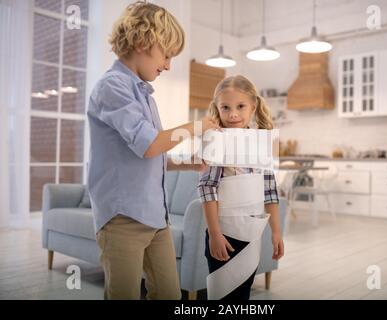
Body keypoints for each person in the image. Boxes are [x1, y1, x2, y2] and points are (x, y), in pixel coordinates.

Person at [87, 1, 219, 300]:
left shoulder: (144, 94)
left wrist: (187, 162)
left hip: (156, 219)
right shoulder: (112, 87)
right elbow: (149, 145)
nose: (169, 65)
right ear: (142, 41)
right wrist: (197, 126)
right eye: (167, 54)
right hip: (122, 219)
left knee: (170, 295)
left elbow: (150, 152)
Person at [197, 75, 284, 300]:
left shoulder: (260, 143)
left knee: (242, 295)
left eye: (240, 106)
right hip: (224, 234)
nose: (233, 114)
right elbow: (207, 188)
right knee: (223, 296)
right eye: (225, 107)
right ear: (217, 107)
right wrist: (215, 234)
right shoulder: (215, 141)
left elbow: (270, 190)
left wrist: (276, 231)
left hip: (251, 234)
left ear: (253, 107)